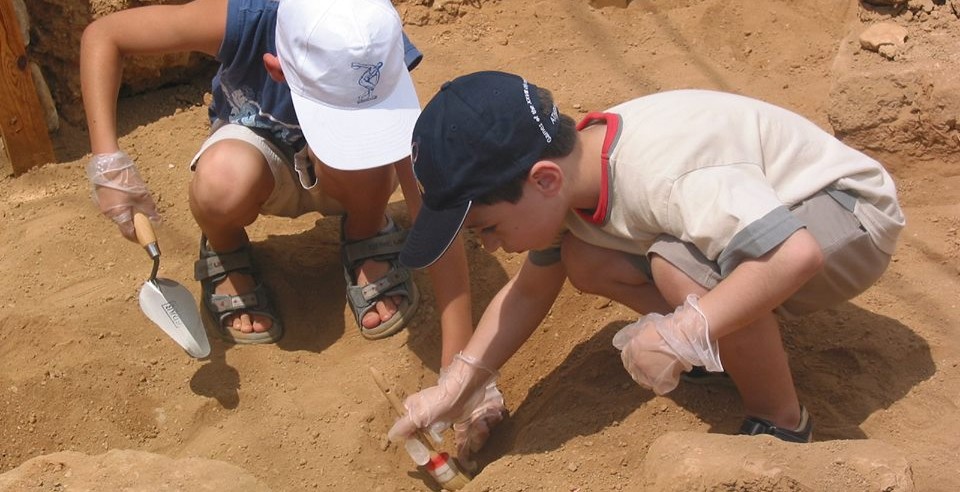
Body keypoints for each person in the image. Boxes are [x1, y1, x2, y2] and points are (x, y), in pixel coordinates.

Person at [388, 70, 905, 455]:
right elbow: (527, 292)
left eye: (489, 229)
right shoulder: (570, 181)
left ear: (543, 179)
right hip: (769, 221)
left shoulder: (662, 171)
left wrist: (683, 331)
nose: (492, 248)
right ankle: (728, 344)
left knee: (677, 268)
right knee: (584, 258)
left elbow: (794, 254)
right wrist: (459, 385)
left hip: (847, 213)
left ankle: (781, 421)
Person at [79, 0, 478, 357]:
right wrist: (108, 164)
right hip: (257, 149)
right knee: (221, 182)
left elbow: (429, 209)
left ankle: (367, 231)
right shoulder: (244, 18)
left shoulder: (368, 36)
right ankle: (225, 246)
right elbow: (104, 35)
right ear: (276, 67)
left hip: (344, 175)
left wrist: (462, 363)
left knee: (375, 158)